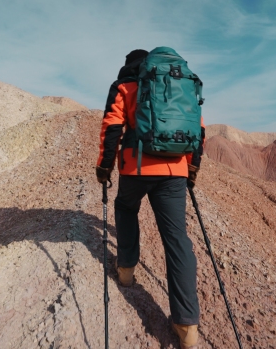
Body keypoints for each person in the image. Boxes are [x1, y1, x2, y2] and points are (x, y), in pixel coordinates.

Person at [96, 49, 204, 349]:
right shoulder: (178, 85)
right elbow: (197, 127)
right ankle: (186, 326)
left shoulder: (126, 86)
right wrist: (191, 169)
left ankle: (126, 270)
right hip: (174, 173)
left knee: (126, 208)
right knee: (176, 238)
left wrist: (104, 168)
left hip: (136, 168)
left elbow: (112, 128)